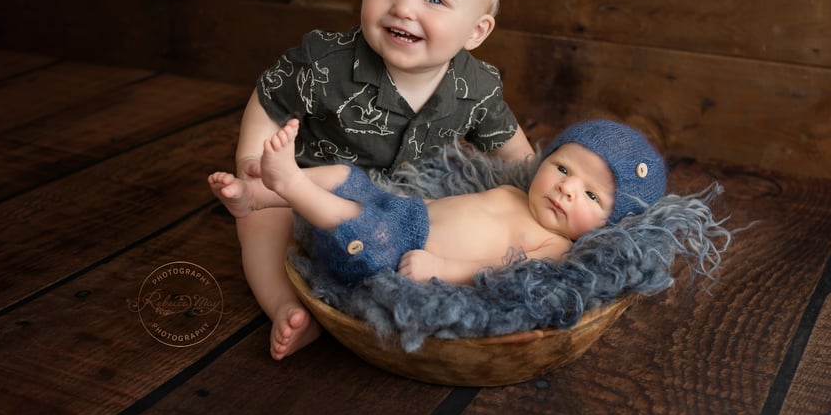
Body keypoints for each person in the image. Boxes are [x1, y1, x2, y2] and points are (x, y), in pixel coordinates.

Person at [228, 0, 534, 359]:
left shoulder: (477, 89)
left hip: (400, 204)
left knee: (463, 227)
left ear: (476, 30)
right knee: (259, 220)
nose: (403, 7)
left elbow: (513, 149)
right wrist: (251, 159)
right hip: (306, 183)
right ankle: (285, 306)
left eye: (434, 0)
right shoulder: (325, 65)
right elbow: (270, 96)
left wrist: (537, 181)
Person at [210, 118, 667, 287]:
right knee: (348, 177)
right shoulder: (512, 192)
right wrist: (417, 199)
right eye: (564, 169)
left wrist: (443, 271)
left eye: (591, 194)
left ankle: (289, 184)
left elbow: (503, 276)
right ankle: (257, 195)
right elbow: (455, 204)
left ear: (613, 222)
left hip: (401, 249)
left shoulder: (555, 246)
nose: (567, 188)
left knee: (360, 225)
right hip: (406, 213)